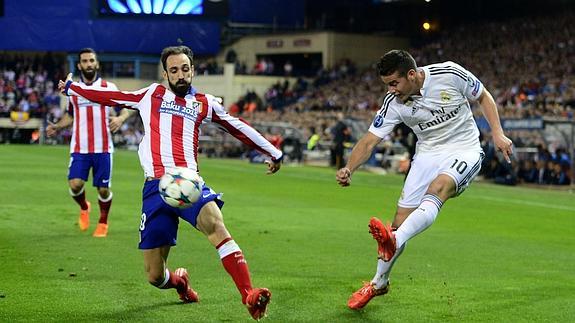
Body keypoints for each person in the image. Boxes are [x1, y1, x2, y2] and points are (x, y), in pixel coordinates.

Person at [58, 45, 283, 320]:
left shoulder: (204, 102)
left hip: (188, 182)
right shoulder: (151, 95)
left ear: (193, 70)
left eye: (185, 69)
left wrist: (273, 151)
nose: (180, 75)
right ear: (165, 74)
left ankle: (248, 294)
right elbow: (112, 96)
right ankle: (180, 283)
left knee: (216, 224)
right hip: (155, 187)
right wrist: (73, 88)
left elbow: (237, 126)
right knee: (154, 275)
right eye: (174, 70)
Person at [336, 50, 513, 310]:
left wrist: (497, 133)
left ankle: (392, 243)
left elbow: (483, 96)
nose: (391, 90)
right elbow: (370, 140)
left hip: (464, 148)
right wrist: (349, 168)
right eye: (387, 85)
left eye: (394, 83)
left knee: (438, 189)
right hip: (427, 154)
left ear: (412, 74)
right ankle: (379, 282)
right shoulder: (394, 102)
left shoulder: (449, 73)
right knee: (399, 222)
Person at [47, 48, 134, 238]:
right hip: (80, 147)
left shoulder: (109, 87)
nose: (88, 64)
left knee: (103, 189)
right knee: (75, 185)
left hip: (103, 148)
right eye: (84, 61)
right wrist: (57, 127)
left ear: (97, 64)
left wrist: (120, 119)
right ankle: (84, 206)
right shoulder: (75, 90)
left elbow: (126, 108)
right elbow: (71, 115)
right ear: (79, 65)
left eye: (91, 60)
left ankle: (103, 222)